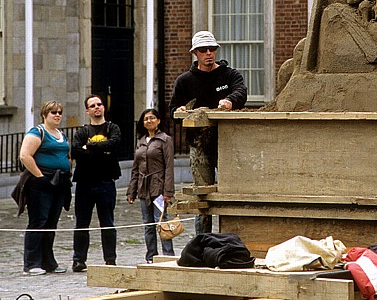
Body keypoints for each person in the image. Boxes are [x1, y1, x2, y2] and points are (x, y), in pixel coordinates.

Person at [169, 30, 247, 233]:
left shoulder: (229, 74)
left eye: (212, 49)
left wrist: (230, 100)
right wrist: (179, 111)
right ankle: (202, 242)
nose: (209, 53)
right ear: (195, 53)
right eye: (203, 50)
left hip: (226, 143)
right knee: (202, 198)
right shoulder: (185, 81)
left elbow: (241, 91)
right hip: (199, 144)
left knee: (232, 192)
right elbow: (173, 109)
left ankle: (232, 237)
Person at [16, 100, 72, 276]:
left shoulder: (61, 134)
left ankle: (48, 261)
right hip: (41, 183)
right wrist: (40, 177)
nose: (57, 115)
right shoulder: (37, 132)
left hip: (59, 182)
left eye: (59, 112)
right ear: (44, 115)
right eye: (53, 112)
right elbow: (25, 155)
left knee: (51, 222)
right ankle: (32, 263)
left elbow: (66, 155)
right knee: (38, 221)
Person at [71, 94, 122, 272]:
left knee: (107, 222)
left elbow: (115, 144)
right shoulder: (82, 131)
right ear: (87, 110)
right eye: (92, 105)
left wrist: (90, 147)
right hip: (84, 183)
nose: (97, 107)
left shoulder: (112, 127)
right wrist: (102, 150)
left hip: (106, 182)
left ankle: (110, 258)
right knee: (81, 223)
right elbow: (76, 151)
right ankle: (78, 260)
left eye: (99, 104)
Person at [127, 108, 176, 263]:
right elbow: (136, 168)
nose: (149, 121)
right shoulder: (140, 142)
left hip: (159, 186)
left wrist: (168, 191)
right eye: (146, 119)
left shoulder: (165, 139)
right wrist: (131, 191)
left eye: (152, 118)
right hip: (143, 187)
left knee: (161, 222)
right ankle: (151, 256)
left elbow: (169, 166)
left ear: (158, 120)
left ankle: (168, 256)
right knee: (148, 224)